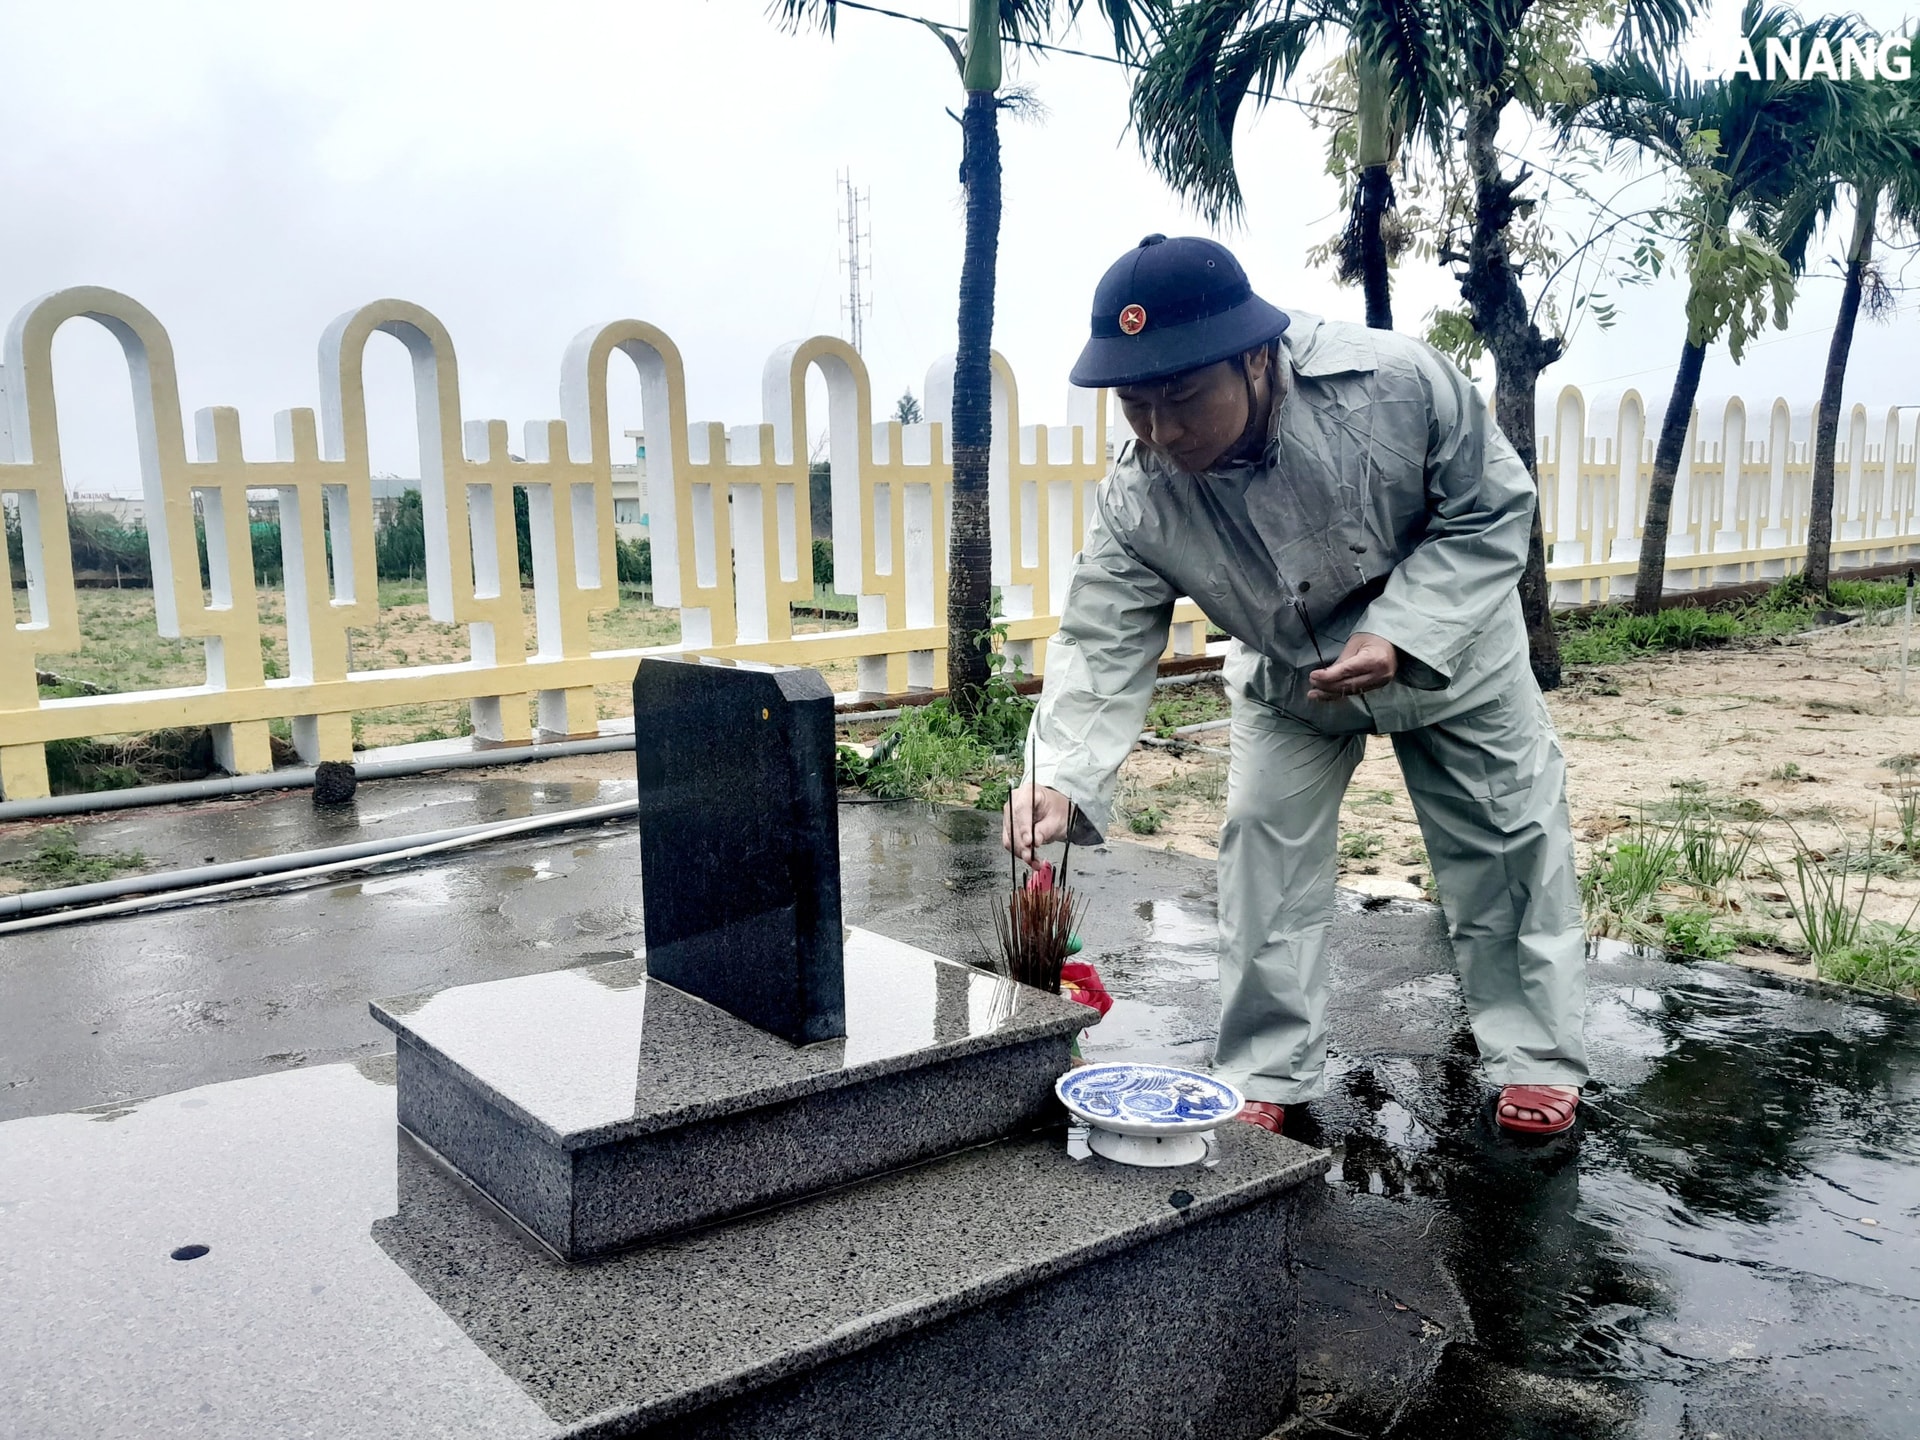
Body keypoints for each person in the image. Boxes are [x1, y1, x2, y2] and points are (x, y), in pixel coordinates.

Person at [1003, 234, 1586, 1137]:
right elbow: (1102, 635)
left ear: (1254, 358)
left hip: (1458, 656)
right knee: (1262, 857)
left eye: (1184, 398)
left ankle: (1537, 1058)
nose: (1161, 431)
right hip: (1290, 677)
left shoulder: (1397, 385)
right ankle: (1267, 1069)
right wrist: (1060, 777)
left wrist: (1405, 628)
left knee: (1508, 847)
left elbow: (1492, 509)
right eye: (1135, 403)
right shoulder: (1138, 495)